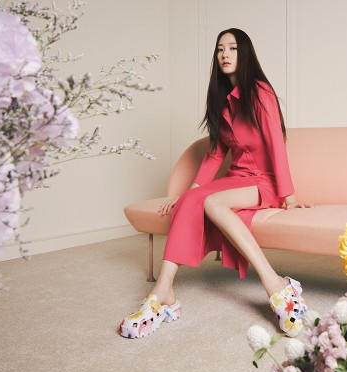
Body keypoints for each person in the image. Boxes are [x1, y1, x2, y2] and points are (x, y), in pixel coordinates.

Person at [120, 28, 308, 339]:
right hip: (237, 179)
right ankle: (163, 291)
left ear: (244, 54)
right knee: (192, 200)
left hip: (265, 183)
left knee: (212, 203)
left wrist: (288, 197)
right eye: (220, 49)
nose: (225, 54)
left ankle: (275, 283)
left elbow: (277, 143)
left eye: (232, 48)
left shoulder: (260, 92)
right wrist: (191, 191)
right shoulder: (222, 101)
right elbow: (216, 154)